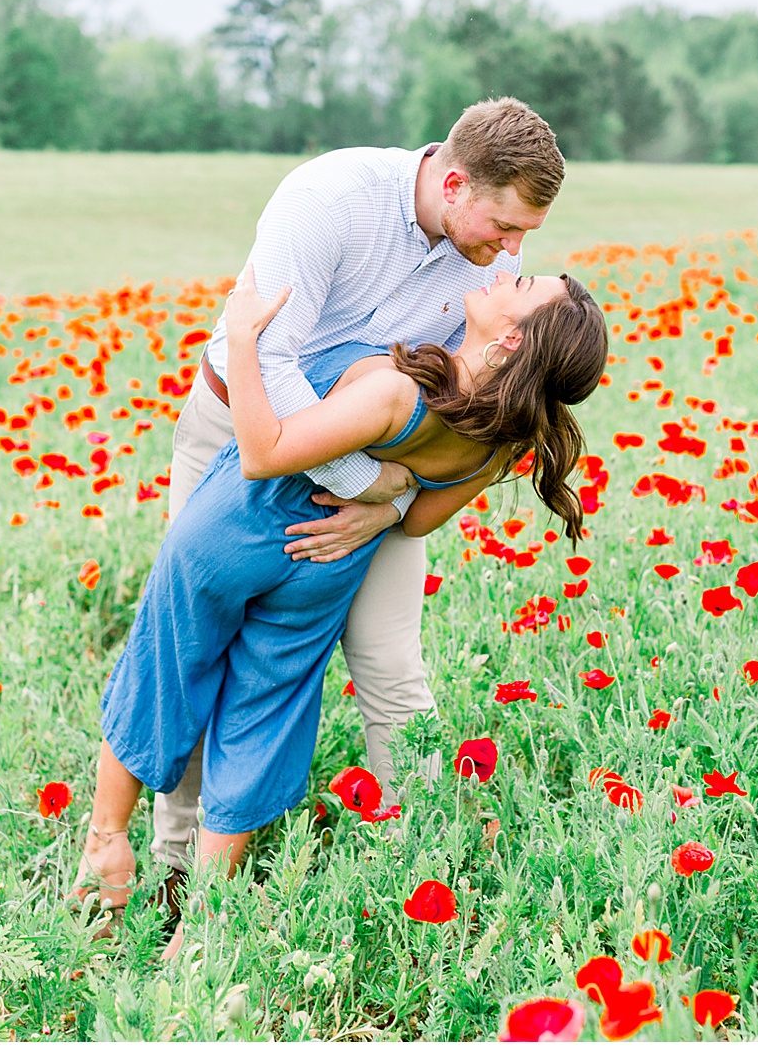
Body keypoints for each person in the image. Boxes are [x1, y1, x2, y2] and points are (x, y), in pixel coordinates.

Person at [121, 98, 569, 917]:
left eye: (525, 239)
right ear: (457, 181)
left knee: (390, 661)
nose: (510, 254)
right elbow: (274, 361)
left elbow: (474, 417)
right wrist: (370, 484)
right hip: (244, 427)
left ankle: (425, 860)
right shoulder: (333, 197)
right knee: (199, 645)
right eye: (504, 227)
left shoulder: (494, 285)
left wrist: (392, 508)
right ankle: (173, 864)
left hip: (395, 471)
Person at [76, 259, 608, 930]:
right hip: (329, 559)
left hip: (241, 525)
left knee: (164, 670)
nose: (508, 275)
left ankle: (106, 842)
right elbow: (416, 518)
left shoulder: (396, 392)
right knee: (263, 714)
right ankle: (202, 924)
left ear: (510, 342)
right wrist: (380, 505)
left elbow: (265, 453)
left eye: (522, 288)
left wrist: (243, 340)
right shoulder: (500, 443)